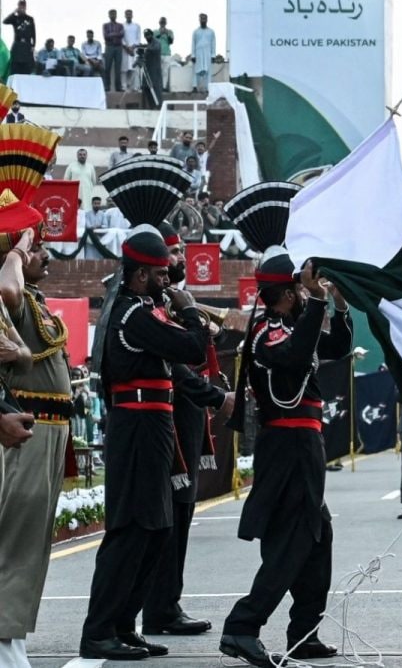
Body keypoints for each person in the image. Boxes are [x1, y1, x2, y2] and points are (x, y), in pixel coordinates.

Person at [79, 226, 209, 660]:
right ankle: (99, 630)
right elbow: (192, 348)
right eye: (160, 274)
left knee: (157, 529)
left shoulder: (145, 309)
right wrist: (190, 311)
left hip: (154, 424)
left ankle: (123, 623)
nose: (168, 280)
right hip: (136, 426)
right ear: (139, 276)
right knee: (132, 529)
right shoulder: (133, 314)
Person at [220, 250, 351, 667]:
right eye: (301, 289)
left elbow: (337, 346)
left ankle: (304, 633)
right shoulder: (267, 331)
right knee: (292, 541)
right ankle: (242, 626)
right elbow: (293, 357)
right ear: (289, 294)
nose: (306, 293)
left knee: (318, 537)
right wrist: (317, 302)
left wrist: (338, 304)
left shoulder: (294, 326)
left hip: (303, 445)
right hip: (287, 445)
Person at [142, 223, 233, 637]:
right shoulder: (153, 306)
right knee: (169, 517)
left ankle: (167, 603)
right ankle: (159, 607)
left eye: (179, 251)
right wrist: (213, 395)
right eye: (173, 252)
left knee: (181, 513)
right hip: (170, 417)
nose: (180, 259)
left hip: (186, 416)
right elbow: (176, 364)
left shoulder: (173, 300)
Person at [0, 195, 64, 668]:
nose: (44, 254)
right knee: (16, 539)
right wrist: (18, 251)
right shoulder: (12, 294)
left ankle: (11, 636)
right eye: (37, 247)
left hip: (49, 430)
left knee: (31, 544)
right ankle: (5, 642)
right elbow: (8, 289)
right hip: (26, 428)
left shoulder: (36, 301)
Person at [4, 0, 36, 76]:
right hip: (18, 44)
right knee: (15, 66)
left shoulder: (30, 19)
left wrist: (33, 45)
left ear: (25, 7)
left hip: (27, 45)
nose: (22, 8)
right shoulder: (15, 18)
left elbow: (33, 33)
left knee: (27, 67)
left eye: (23, 6)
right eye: (20, 6)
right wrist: (14, 12)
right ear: (18, 6)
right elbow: (5, 21)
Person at [190, 14, 216, 93]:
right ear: (199, 20)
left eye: (204, 19)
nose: (203, 20)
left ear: (207, 20)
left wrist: (213, 55)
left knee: (208, 70)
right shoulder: (195, 32)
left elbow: (213, 43)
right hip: (198, 53)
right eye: (202, 19)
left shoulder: (211, 32)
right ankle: (195, 87)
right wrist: (193, 55)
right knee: (196, 70)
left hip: (208, 53)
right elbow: (193, 43)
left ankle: (208, 88)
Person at [102, 10, 124, 91]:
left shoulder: (120, 25)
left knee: (118, 68)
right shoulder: (105, 25)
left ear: (116, 15)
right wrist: (116, 34)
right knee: (107, 67)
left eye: (114, 14)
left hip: (118, 47)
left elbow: (122, 34)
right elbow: (105, 36)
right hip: (109, 47)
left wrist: (111, 34)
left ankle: (118, 87)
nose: (113, 15)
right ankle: (107, 86)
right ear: (109, 15)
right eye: (111, 14)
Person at [140, 28, 163, 107]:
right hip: (147, 70)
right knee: (146, 88)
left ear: (152, 35)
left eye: (148, 35)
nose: (147, 37)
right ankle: (150, 106)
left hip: (154, 72)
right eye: (145, 36)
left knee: (155, 90)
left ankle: (158, 106)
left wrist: (146, 48)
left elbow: (156, 49)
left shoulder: (156, 42)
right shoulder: (148, 44)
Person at [121, 10, 142, 92]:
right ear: (125, 15)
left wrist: (133, 47)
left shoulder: (137, 26)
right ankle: (124, 86)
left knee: (134, 68)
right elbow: (121, 38)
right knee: (124, 69)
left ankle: (133, 86)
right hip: (125, 50)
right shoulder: (122, 26)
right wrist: (126, 47)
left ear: (132, 15)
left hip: (134, 49)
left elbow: (138, 38)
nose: (128, 16)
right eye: (127, 14)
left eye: (130, 14)